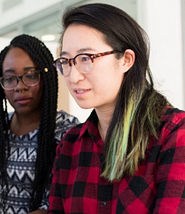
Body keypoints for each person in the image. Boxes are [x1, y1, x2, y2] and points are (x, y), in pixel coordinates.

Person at [48, 3, 185, 214]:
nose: (73, 76)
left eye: (86, 58)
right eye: (66, 61)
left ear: (126, 60)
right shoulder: (70, 144)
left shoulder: (173, 134)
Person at [0, 34, 79, 214]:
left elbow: (56, 207)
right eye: (9, 79)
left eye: (31, 75)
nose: (19, 87)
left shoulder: (66, 131)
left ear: (46, 78)